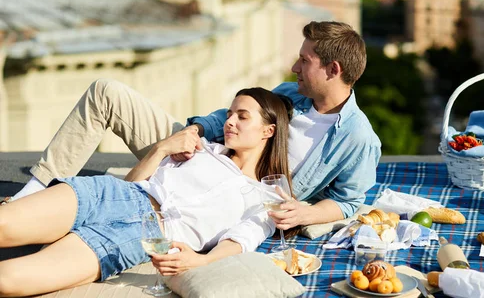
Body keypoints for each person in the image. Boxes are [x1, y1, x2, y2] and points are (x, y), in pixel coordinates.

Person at [7, 21, 381, 230]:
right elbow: (232, 114)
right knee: (108, 91)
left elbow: (350, 201)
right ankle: (33, 192)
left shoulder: (358, 138)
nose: (294, 68)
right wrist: (196, 131)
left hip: (233, 196)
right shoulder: (288, 94)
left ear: (333, 70)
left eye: (304, 60)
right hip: (204, 153)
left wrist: (310, 213)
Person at [0, 88, 292, 297]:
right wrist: (162, 149)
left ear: (268, 131)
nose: (229, 121)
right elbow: (131, 184)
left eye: (242, 116)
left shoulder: (267, 197)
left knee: (8, 280)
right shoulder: (202, 149)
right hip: (111, 196)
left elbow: (240, 241)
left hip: (143, 236)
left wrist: (200, 260)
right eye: (229, 114)